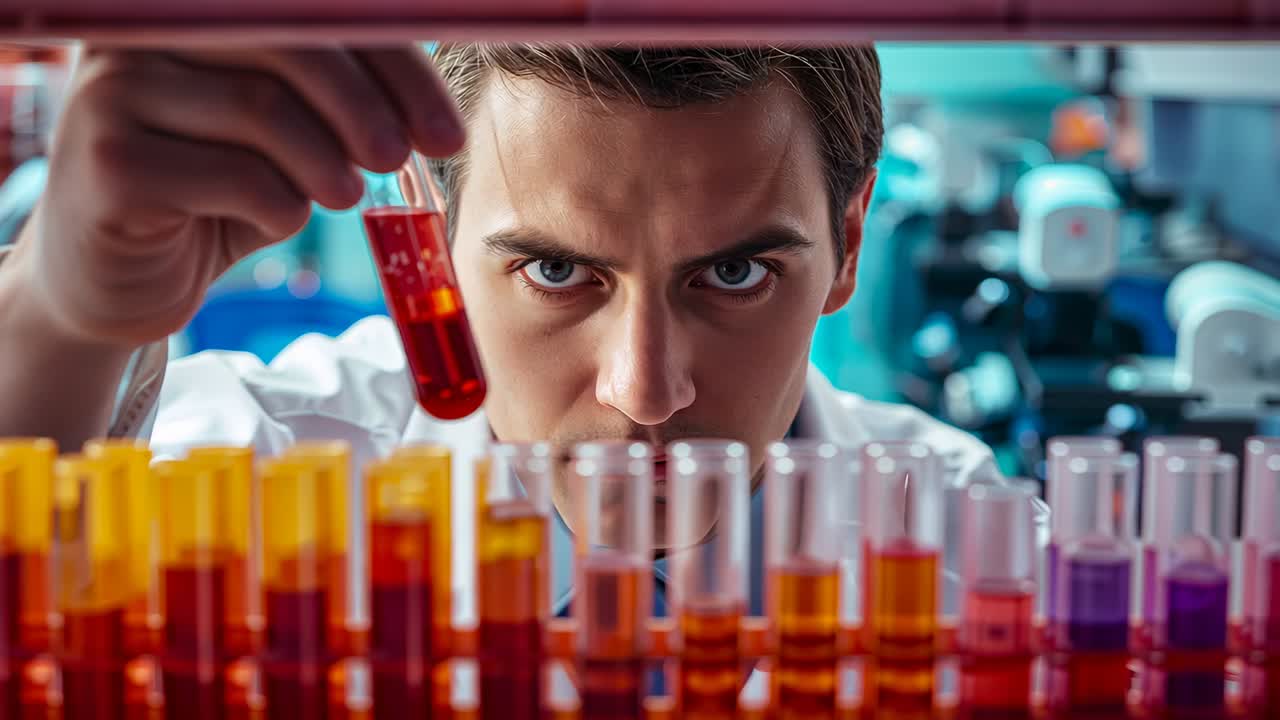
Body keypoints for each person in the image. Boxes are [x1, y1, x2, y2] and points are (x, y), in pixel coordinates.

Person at [0, 45, 1024, 620]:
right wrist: (52, 324)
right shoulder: (266, 472)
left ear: (846, 247)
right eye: (555, 271)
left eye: (732, 272)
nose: (644, 391)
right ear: (434, 250)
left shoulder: (970, 552)